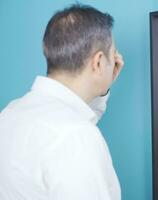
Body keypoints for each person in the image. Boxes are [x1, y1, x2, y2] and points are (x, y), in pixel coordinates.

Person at [0, 4, 123, 200]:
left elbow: (73, 116)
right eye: (112, 54)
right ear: (98, 61)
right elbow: (73, 130)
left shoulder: (9, 113)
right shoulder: (77, 136)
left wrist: (103, 87)